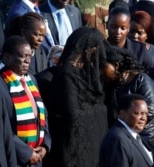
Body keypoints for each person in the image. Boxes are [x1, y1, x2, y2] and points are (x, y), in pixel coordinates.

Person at [45, 27, 108, 167]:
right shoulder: (66, 75)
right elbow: (72, 114)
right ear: (89, 49)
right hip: (72, 152)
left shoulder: (84, 73)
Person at [0, 35, 51, 167]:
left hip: (38, 156)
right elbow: (1, 128)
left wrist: (45, 145)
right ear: (7, 57)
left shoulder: (31, 80)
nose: (28, 61)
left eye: (29, 55)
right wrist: (26, 153)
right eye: (23, 56)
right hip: (16, 159)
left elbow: (42, 114)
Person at [101, 46, 154, 161]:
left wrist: (122, 122)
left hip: (148, 139)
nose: (100, 71)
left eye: (103, 67)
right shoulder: (112, 84)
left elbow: (148, 112)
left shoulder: (142, 80)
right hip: (125, 138)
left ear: (116, 65)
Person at [107, 6, 154, 91]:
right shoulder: (100, 49)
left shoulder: (140, 50)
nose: (118, 32)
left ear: (128, 28)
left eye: (122, 28)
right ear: (107, 25)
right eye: (114, 26)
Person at [99, 93, 154, 167]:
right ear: (122, 113)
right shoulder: (117, 139)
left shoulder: (135, 135)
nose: (143, 118)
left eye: (146, 114)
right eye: (138, 113)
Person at [128, 10, 154, 93]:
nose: (135, 36)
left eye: (139, 33)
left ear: (147, 34)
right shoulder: (123, 48)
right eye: (132, 31)